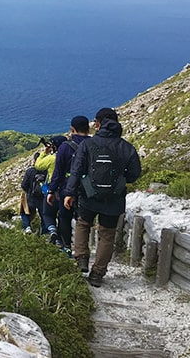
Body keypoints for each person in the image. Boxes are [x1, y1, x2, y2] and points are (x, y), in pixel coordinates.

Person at [63, 107, 141, 287]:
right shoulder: (126, 147)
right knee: (107, 235)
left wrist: (69, 193)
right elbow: (135, 173)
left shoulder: (88, 144)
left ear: (98, 124)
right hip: (114, 199)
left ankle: (81, 259)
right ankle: (97, 274)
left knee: (83, 224)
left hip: (89, 195)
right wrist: (121, 180)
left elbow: (77, 170)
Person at [46, 116, 91, 253]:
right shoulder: (94, 144)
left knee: (64, 217)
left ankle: (66, 247)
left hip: (67, 188)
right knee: (83, 220)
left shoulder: (65, 147)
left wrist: (51, 191)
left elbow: (58, 172)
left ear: (72, 129)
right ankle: (82, 250)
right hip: (88, 189)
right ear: (88, 128)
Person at [35, 136, 65, 245]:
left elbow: (38, 166)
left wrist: (44, 153)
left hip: (53, 189)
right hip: (67, 190)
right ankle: (64, 242)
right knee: (64, 217)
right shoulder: (71, 155)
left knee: (47, 214)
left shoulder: (52, 158)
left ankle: (52, 231)